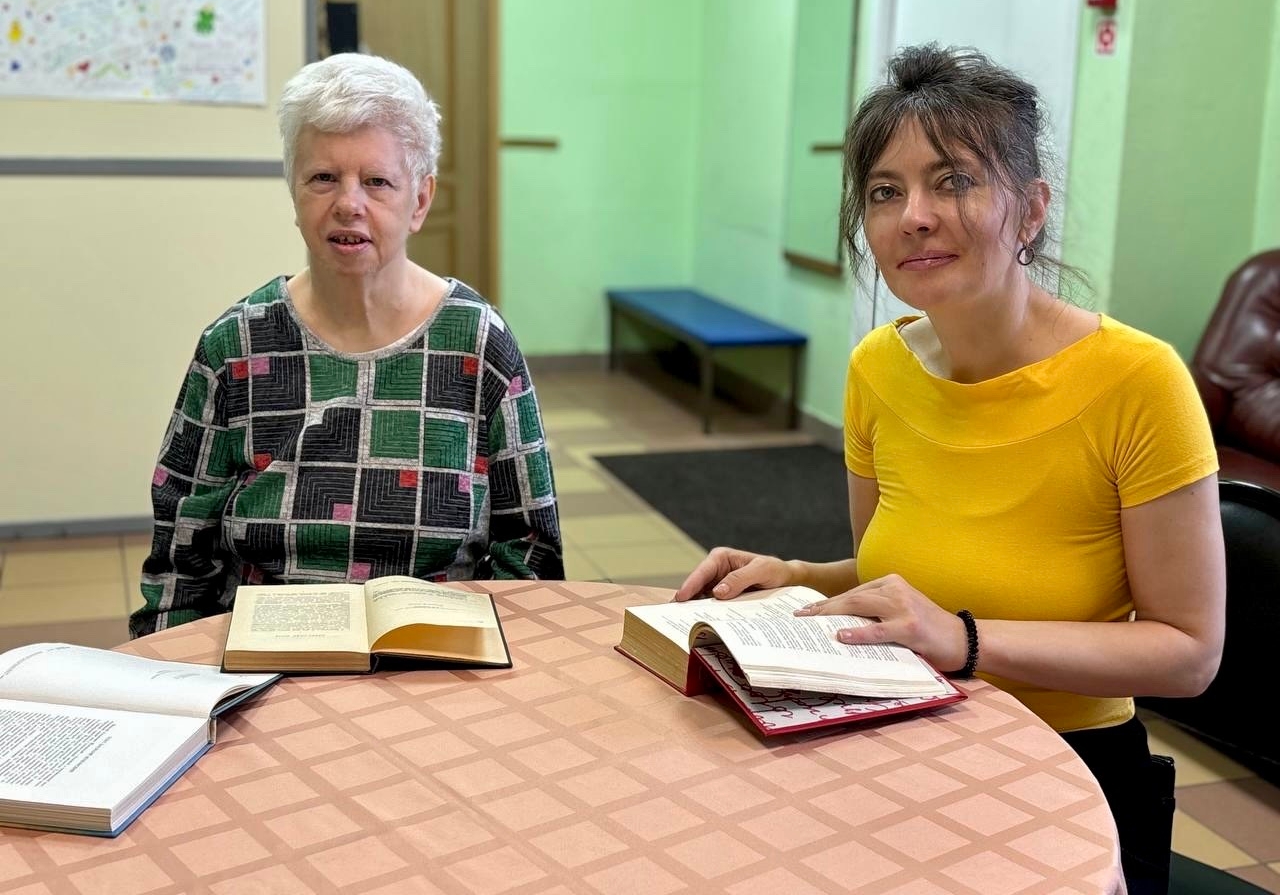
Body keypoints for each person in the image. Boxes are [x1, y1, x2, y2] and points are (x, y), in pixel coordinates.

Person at [676, 44, 1224, 895]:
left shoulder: (1138, 381)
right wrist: (799, 576)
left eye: (954, 181)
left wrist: (967, 642)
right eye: (884, 192)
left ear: (1031, 210)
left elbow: (1188, 653)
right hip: (905, 734)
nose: (914, 217)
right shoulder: (877, 368)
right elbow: (909, 579)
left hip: (1070, 771)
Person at [130, 53, 562, 639]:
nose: (348, 204)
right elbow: (179, 558)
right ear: (294, 193)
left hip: (436, 656)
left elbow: (531, 552)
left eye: (377, 181)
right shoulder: (236, 345)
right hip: (269, 656)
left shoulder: (478, 341)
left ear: (420, 200)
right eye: (323, 178)